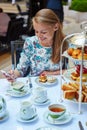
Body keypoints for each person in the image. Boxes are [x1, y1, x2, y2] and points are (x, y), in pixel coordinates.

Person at [3, 9, 67, 82]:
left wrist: (51, 73)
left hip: (57, 85)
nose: (39, 36)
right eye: (36, 31)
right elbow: (21, 69)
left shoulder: (65, 42)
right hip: (34, 85)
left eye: (43, 32)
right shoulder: (30, 42)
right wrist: (13, 75)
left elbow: (78, 69)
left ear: (55, 27)